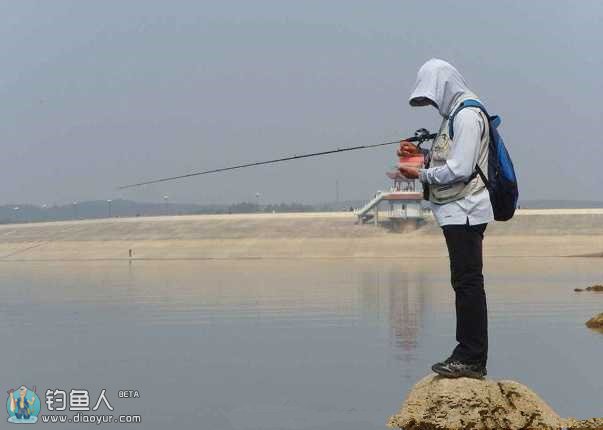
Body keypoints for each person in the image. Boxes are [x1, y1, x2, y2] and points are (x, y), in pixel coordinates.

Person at [398, 58, 492, 379]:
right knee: (464, 282)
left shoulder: (466, 115)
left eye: (431, 96)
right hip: (456, 212)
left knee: (467, 283)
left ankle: (471, 357)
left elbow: (460, 169)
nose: (431, 103)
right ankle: (468, 354)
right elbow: (449, 157)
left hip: (465, 212)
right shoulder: (455, 114)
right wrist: (419, 155)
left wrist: (419, 172)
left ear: (444, 86)